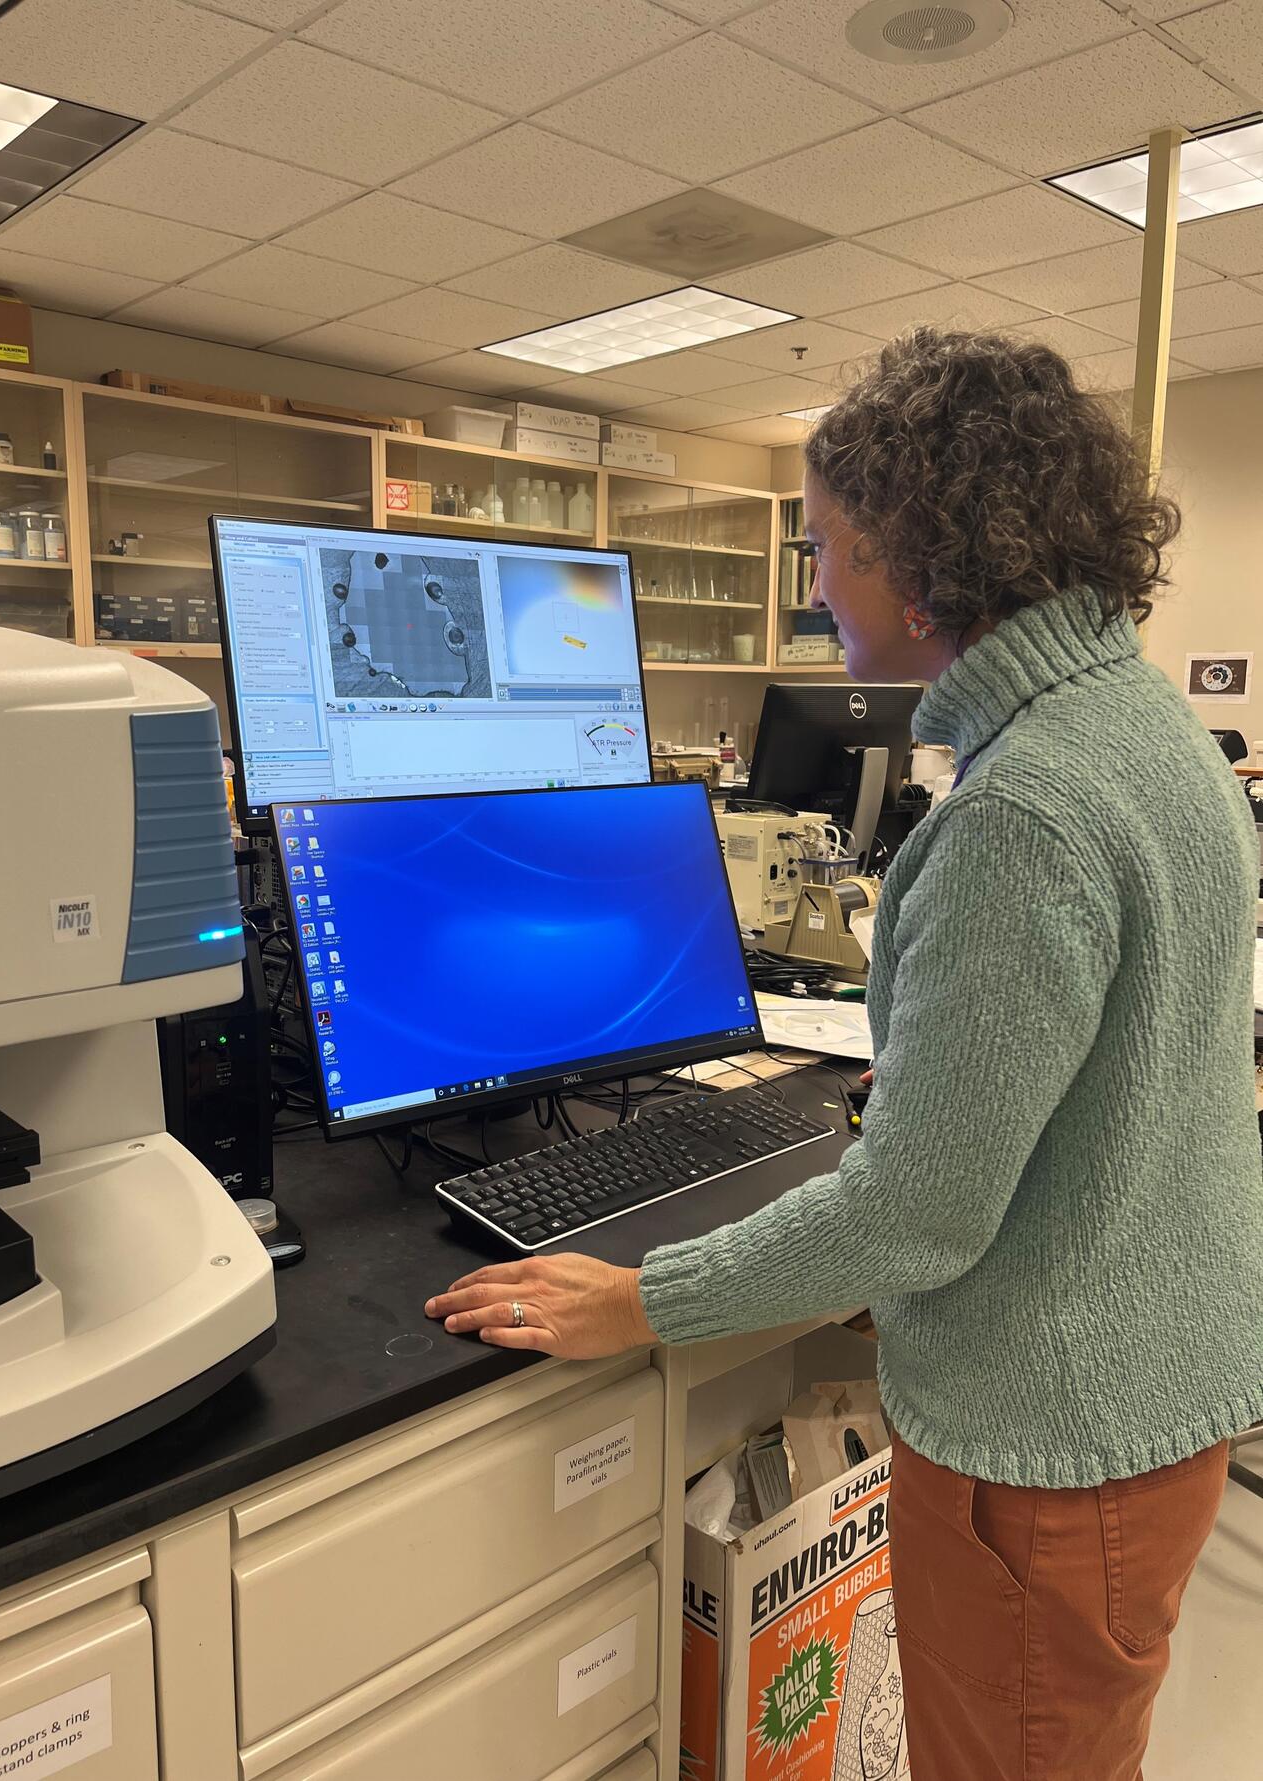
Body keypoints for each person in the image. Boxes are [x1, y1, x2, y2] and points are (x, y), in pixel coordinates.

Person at [427, 328, 1263, 1780]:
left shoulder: (1022, 812)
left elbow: (921, 1215)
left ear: (914, 558)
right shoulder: (1150, 730)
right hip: (1155, 1383)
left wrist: (643, 1299)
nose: (815, 589)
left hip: (1049, 1439)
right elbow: (1132, 1071)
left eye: (823, 550)